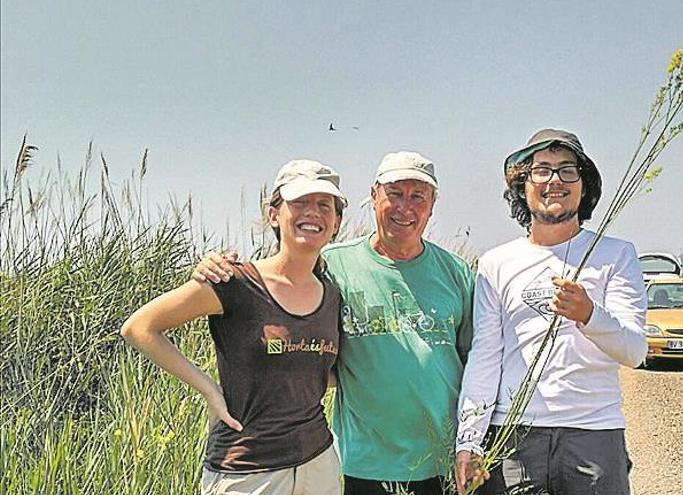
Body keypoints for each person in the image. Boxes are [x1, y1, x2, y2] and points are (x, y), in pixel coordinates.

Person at [194, 151, 475, 495]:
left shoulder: (457, 272)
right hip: (367, 461)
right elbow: (278, 283)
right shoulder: (330, 266)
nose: (406, 207)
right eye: (395, 194)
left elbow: (476, 364)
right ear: (374, 197)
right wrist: (215, 266)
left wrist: (472, 443)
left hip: (445, 458)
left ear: (432, 204)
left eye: (418, 196)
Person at [121, 159, 348, 495]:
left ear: (336, 222)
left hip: (318, 463)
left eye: (323, 205)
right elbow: (140, 327)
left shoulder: (332, 295)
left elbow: (325, 374)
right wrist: (210, 391)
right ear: (274, 215)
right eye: (299, 203)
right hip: (246, 469)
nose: (312, 213)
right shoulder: (235, 282)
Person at [454, 129, 648, 495]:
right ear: (522, 184)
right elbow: (485, 355)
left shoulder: (617, 255)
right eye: (541, 170)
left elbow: (635, 351)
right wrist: (469, 439)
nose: (554, 180)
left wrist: (589, 313)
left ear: (584, 185)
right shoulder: (496, 263)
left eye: (567, 170)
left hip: (595, 433)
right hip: (513, 436)